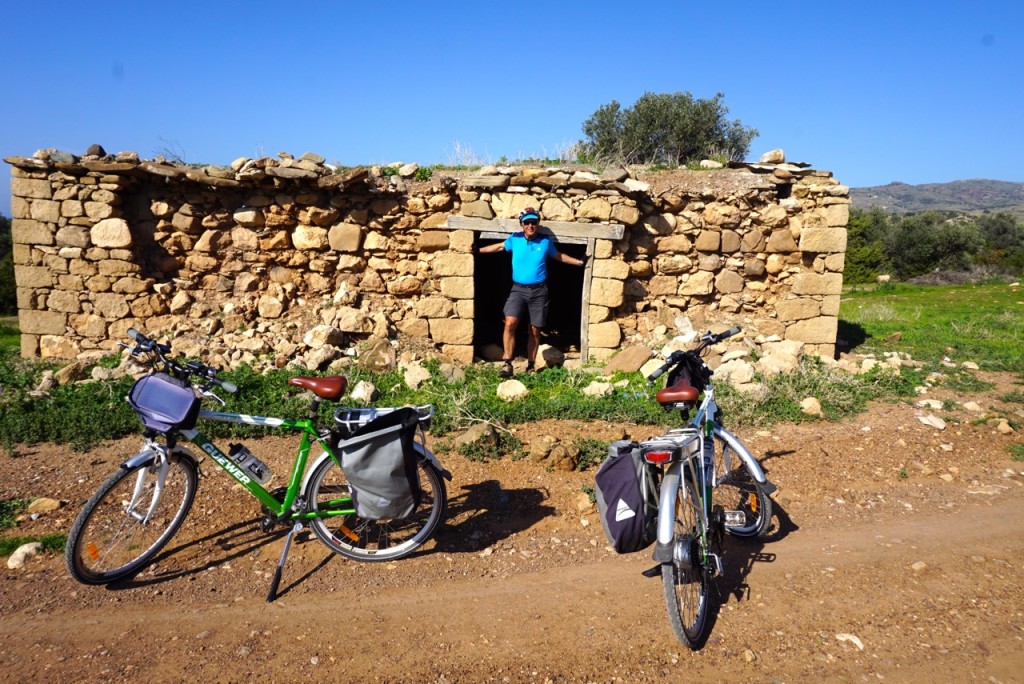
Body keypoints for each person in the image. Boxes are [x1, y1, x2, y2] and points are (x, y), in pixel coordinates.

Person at [477, 207, 585, 377]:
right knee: (510, 323)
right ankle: (507, 363)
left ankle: (531, 365)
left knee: (534, 330)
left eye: (534, 222)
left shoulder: (545, 241)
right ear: (521, 224)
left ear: (538, 224)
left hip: (539, 291)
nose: (530, 225)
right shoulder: (515, 239)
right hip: (518, 289)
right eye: (527, 222)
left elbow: (558, 256)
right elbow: (498, 247)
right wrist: (478, 250)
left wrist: (579, 262)